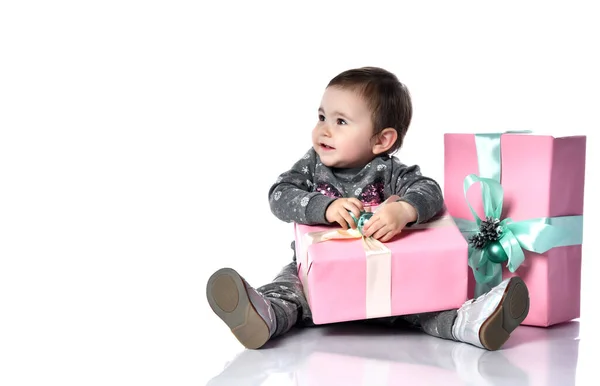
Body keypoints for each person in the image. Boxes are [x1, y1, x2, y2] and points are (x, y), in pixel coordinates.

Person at [206, 66, 529, 352]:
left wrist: (403, 210)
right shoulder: (311, 166)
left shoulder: (390, 171)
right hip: (318, 277)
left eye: (341, 121)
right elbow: (279, 195)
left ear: (381, 140)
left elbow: (429, 191)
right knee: (290, 290)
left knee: (427, 300)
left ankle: (471, 322)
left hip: (389, 280)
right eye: (322, 117)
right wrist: (326, 206)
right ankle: (263, 315)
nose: (324, 130)